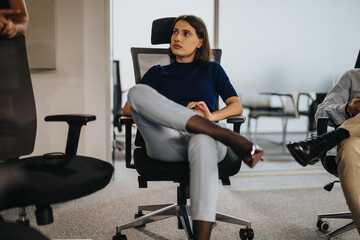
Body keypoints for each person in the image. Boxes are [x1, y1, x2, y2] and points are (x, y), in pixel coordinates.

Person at [122, 15, 263, 240]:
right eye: (174, 32)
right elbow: (128, 109)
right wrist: (181, 112)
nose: (177, 37)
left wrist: (211, 116)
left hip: (204, 138)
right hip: (167, 141)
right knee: (136, 92)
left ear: (200, 41)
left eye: (185, 33)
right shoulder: (158, 72)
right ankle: (221, 133)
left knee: (202, 138)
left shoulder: (212, 69)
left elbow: (236, 106)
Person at [286, 68, 360, 234]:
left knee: (345, 144)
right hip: (354, 145)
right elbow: (322, 111)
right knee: (347, 149)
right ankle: (331, 139)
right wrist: (348, 109)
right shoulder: (352, 76)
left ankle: (322, 143)